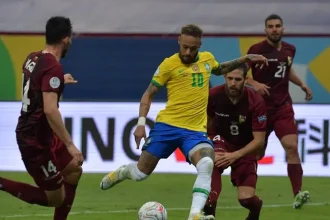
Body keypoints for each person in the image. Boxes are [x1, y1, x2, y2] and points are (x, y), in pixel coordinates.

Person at [100, 24, 267, 220]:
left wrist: (245, 59)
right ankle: (122, 172)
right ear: (179, 41)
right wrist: (140, 123)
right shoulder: (168, 65)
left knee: (206, 163)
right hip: (167, 127)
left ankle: (195, 215)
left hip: (194, 131)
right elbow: (148, 94)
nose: (187, 52)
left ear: (199, 45)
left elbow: (222, 68)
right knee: (140, 173)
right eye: (184, 47)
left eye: (193, 48)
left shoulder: (207, 60)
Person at [0, 16, 84, 220]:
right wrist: (70, 144)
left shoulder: (33, 57)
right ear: (65, 39)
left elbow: (36, 85)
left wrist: (59, 82)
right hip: (35, 141)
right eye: (70, 38)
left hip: (42, 134)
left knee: (74, 170)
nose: (71, 42)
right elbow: (50, 110)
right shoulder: (53, 67)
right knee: (56, 198)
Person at [246, 14, 312, 208]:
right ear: (265, 30)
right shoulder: (256, 50)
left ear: (283, 29)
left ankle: (298, 194)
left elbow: (286, 68)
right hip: (261, 109)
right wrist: (254, 83)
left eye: (277, 26)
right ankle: (248, 192)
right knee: (257, 154)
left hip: (283, 107)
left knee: (291, 147)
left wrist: (302, 84)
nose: (274, 29)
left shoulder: (290, 49)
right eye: (270, 26)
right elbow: (241, 73)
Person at [203, 65, 266, 220]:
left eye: (238, 79)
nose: (233, 83)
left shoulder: (256, 101)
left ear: (245, 79)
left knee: (246, 200)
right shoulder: (213, 95)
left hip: (245, 147)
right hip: (220, 140)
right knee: (210, 195)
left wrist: (235, 155)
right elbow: (205, 123)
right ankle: (208, 215)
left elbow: (259, 140)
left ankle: (256, 209)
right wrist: (209, 142)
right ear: (224, 77)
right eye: (230, 78)